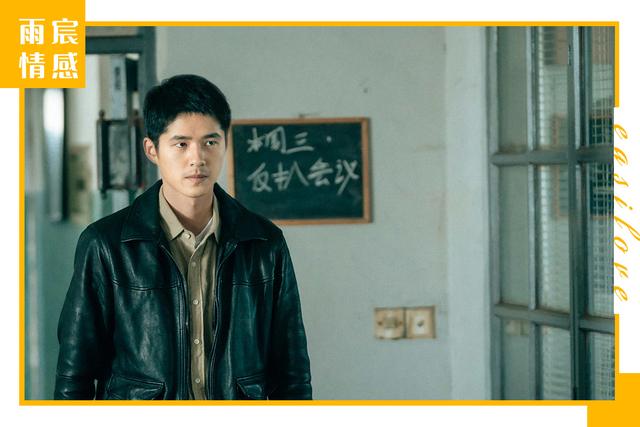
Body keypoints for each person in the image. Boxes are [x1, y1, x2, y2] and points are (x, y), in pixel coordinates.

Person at [54, 74, 312, 400]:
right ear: (152, 150)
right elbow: (74, 374)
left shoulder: (264, 243)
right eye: (181, 144)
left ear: (225, 143)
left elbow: (292, 372)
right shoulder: (105, 245)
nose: (197, 158)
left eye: (210, 142)